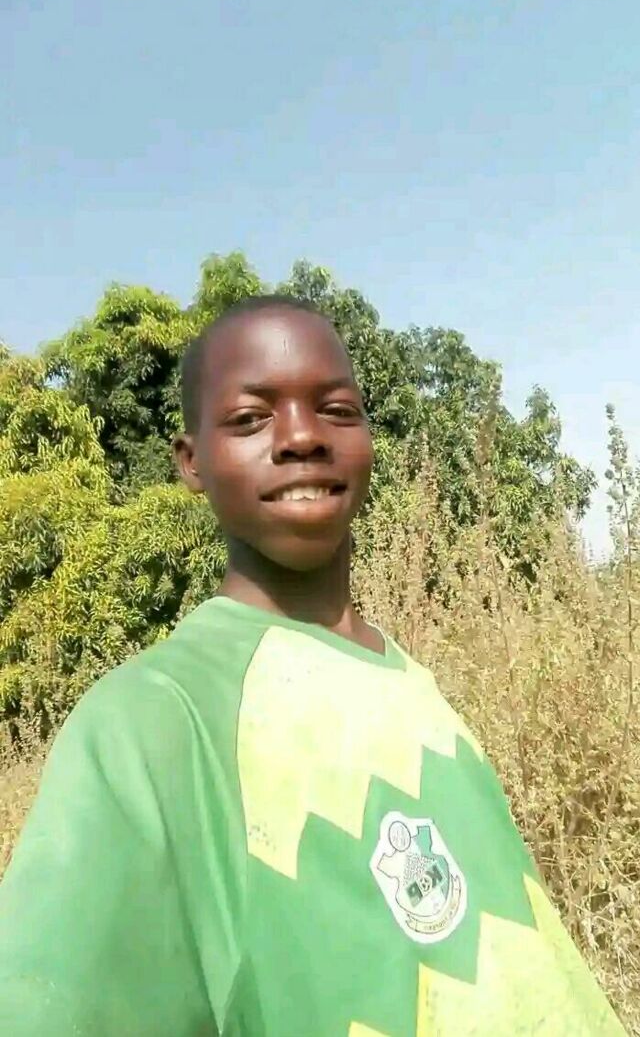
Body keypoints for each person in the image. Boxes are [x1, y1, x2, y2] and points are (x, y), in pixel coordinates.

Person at [0, 296, 624, 1036]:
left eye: (336, 410)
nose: (302, 437)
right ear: (192, 462)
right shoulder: (154, 718)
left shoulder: (409, 678)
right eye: (250, 419)